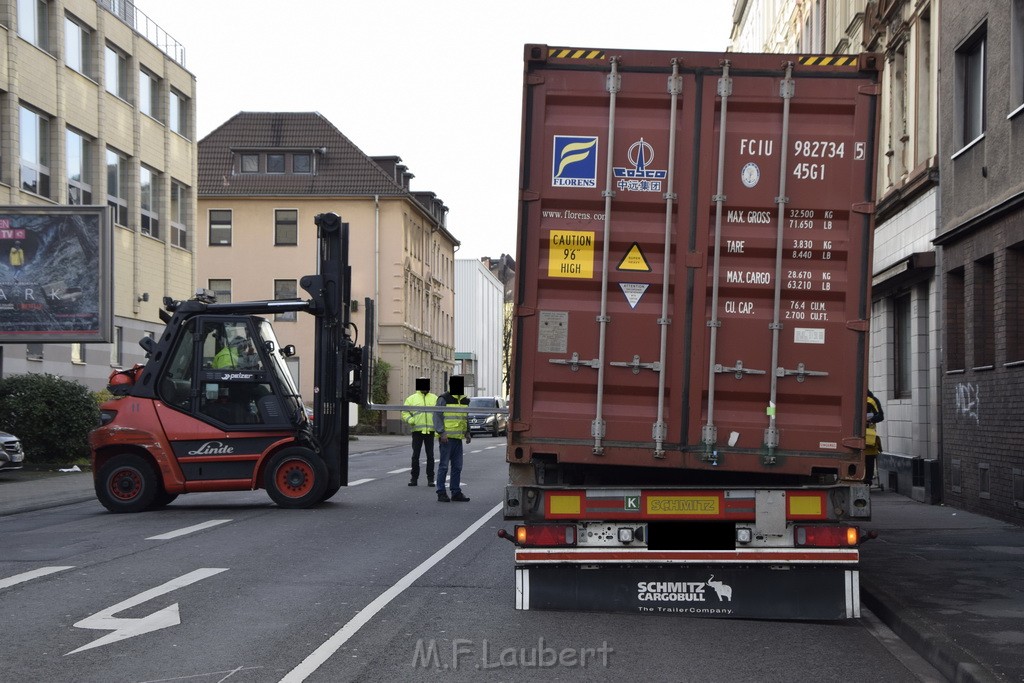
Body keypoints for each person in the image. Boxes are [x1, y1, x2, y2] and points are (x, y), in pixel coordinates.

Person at [434, 375, 471, 502]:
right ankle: (441, 492)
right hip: (447, 438)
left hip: (458, 438)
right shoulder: (444, 398)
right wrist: (441, 432)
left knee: (457, 467)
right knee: (444, 466)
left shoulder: (465, 400)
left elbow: (465, 417)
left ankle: (455, 492)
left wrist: (467, 432)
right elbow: (437, 416)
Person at [402, 377, 437, 487]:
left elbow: (439, 413)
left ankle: (430, 479)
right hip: (417, 431)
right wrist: (411, 420)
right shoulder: (411, 399)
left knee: (430, 456)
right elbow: (404, 412)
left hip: (430, 431)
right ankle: (414, 478)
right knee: (415, 456)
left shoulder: (434, 398)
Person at [864, 389, 885, 486]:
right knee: (868, 458)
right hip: (866, 435)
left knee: (868, 458)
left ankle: (867, 480)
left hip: (869, 435)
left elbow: (880, 416)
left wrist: (870, 420)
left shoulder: (871, 400)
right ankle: (865, 480)